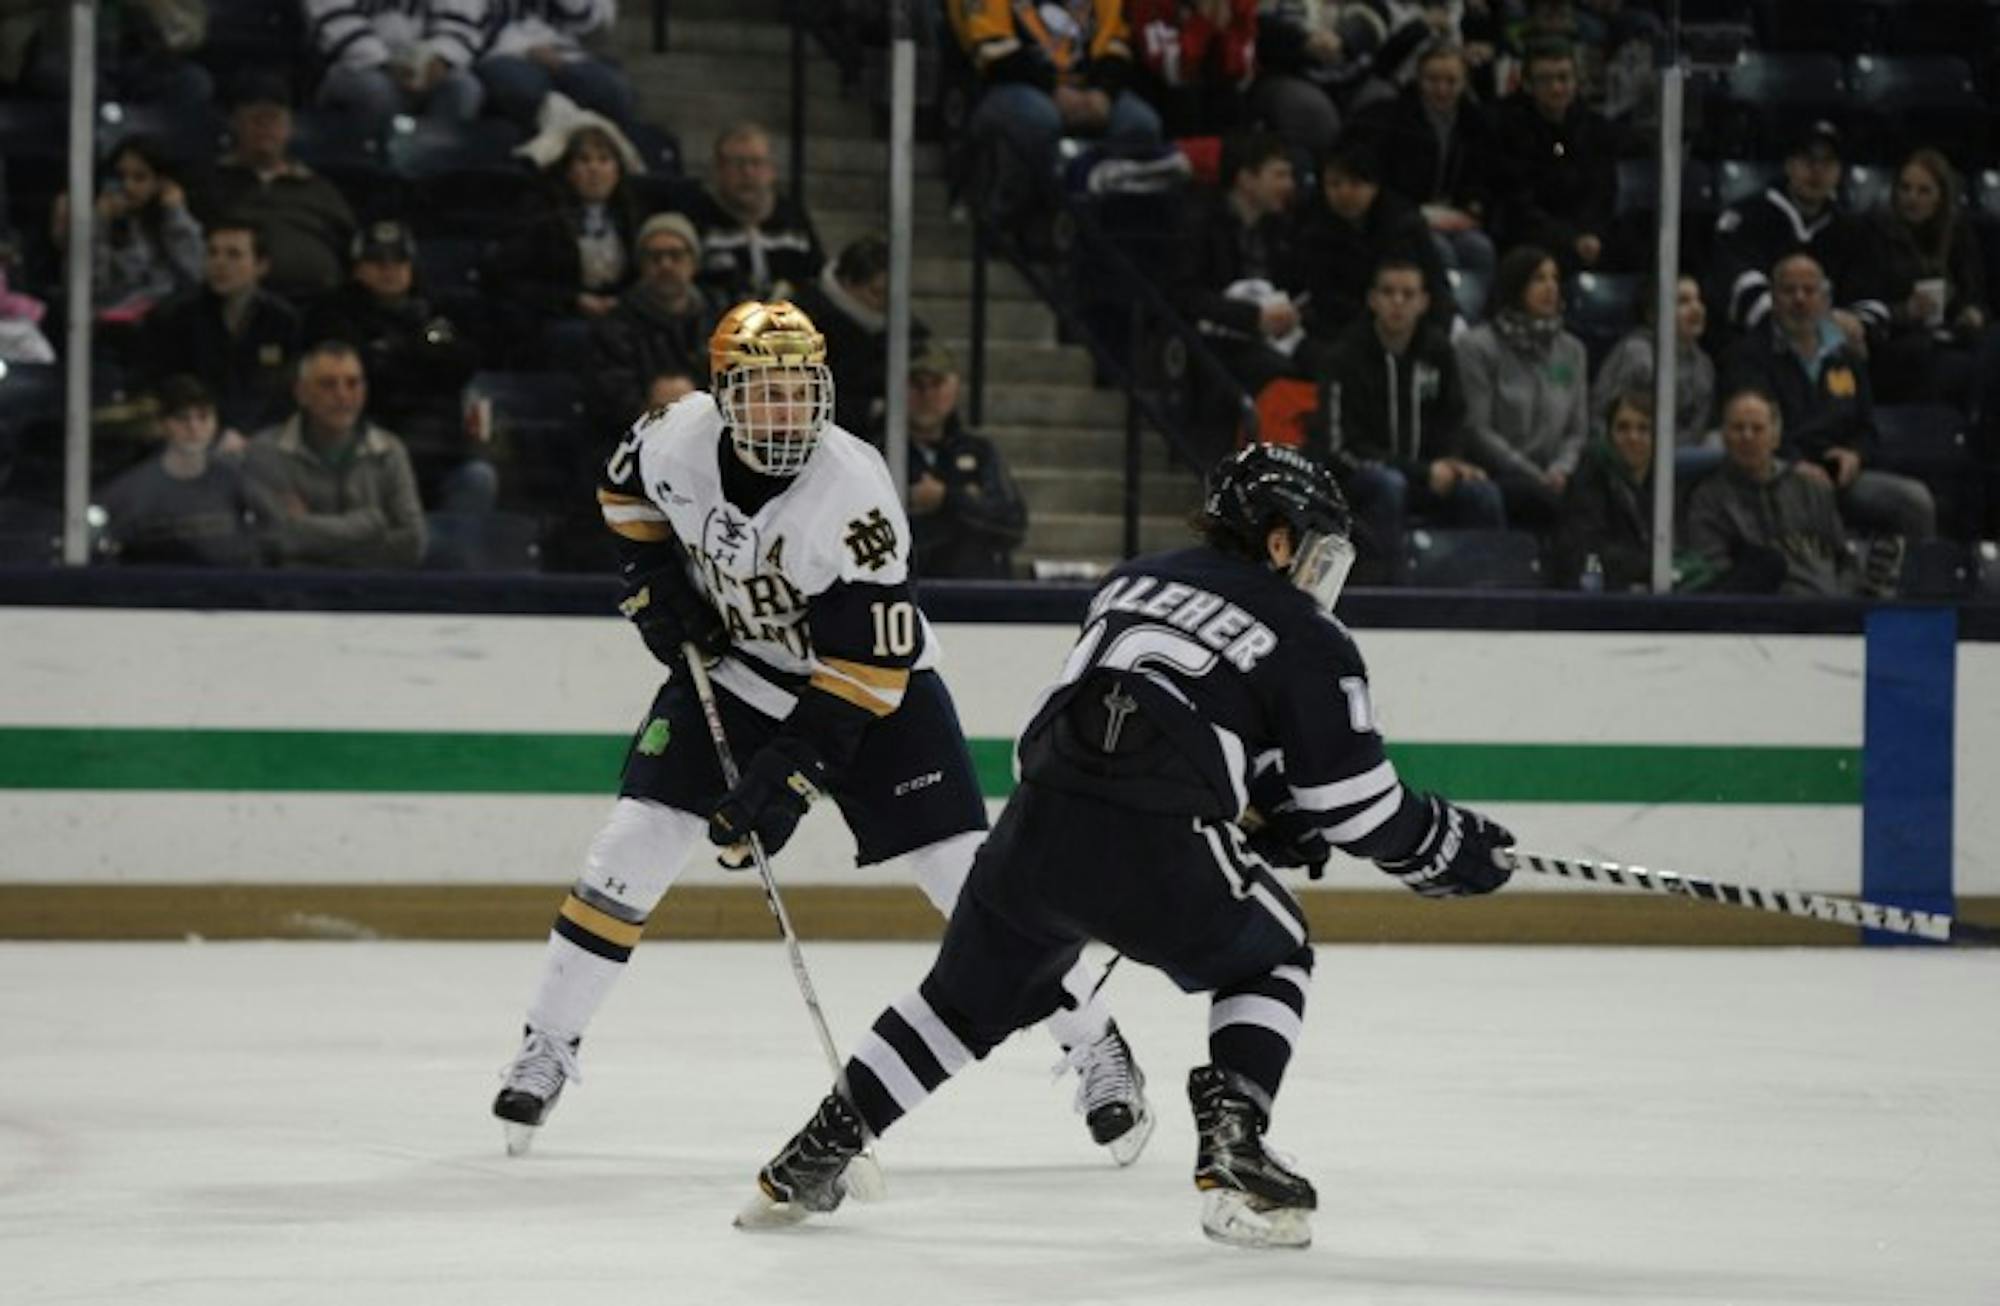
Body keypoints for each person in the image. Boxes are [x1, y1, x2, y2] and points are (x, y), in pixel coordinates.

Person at [738, 442, 1517, 1249]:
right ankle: (1233, 1143)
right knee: (1271, 955)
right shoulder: (1308, 634)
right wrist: (1450, 847)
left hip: (1035, 826)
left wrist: (1263, 808)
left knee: (957, 1005)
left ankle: (807, 1158)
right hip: (1159, 844)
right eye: (1315, 547)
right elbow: (1359, 810)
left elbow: (1131, 715)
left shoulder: (1134, 580)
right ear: (1280, 541)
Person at [491, 301, 1152, 1166]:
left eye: (801, 394)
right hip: (735, 669)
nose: (786, 414)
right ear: (723, 395)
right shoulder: (674, 437)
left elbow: (863, 675)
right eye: (764, 394)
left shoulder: (855, 495)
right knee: (633, 842)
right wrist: (655, 582)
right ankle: (548, 1042)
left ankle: (1096, 1045)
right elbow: (622, 493)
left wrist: (788, 779)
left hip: (877, 692)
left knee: (971, 886)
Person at [1720, 253, 1935, 544]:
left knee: (1914, 501)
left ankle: (1910, 585)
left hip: (1841, 477)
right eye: (1789, 290)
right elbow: (1749, 428)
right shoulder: (1749, 356)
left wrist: (1855, 455)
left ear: (1824, 299)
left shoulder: (1845, 356)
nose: (1799, 299)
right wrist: (1795, 464)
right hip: (1777, 475)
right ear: (1773, 297)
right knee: (1808, 504)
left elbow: (1867, 427)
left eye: (1809, 291)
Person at [1318, 257, 1499, 583]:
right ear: (1372, 299)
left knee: (1482, 494)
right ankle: (1395, 596)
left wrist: (1452, 462)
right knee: (1389, 486)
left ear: (1424, 302)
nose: (1398, 302)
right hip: (1359, 480)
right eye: (1389, 292)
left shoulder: (1438, 351)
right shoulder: (1344, 356)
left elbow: (1454, 418)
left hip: (1428, 475)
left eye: (1408, 293)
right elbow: (1337, 447)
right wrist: (1423, 471)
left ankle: (1487, 600)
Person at [304, 219, 491, 511]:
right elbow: (368, 375)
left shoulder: (438, 307)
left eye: (399, 260)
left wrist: (394, 354)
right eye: (377, 261)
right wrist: (424, 354)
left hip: (440, 453)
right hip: (366, 452)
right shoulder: (333, 313)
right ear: (356, 267)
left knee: (478, 478)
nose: (389, 270)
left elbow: (464, 363)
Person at [946, 0, 1164, 222]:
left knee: (1140, 124)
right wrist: (1054, 92)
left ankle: (1110, 232)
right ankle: (1017, 219)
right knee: (1039, 119)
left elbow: (1116, 44)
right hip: (1006, 87)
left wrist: (1103, 92)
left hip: (1089, 88)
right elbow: (991, 50)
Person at [242, 340, 427, 568]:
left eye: (352, 383)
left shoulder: (389, 450)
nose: (342, 394)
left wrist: (306, 528)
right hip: (295, 597)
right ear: (302, 393)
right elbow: (274, 541)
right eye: (328, 384)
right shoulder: (265, 451)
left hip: (375, 597)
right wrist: (371, 522)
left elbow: (412, 544)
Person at [1709, 120, 1886, 347]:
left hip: (1834, 353)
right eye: (1808, 159)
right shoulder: (1747, 218)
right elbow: (1736, 289)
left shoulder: (1854, 230)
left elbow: (1873, 301)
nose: (1817, 170)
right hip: (1757, 351)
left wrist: (1855, 325)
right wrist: (1815, 328)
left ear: (1840, 171)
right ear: (1789, 164)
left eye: (1828, 162)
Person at [1348, 43, 1502, 299]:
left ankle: (1467, 317)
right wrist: (1420, 215)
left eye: (1451, 81)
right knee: (1439, 252)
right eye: (1433, 80)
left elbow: (1485, 177)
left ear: (1464, 83)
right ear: (1418, 79)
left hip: (1456, 217)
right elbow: (1378, 180)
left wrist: (1474, 207)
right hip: (1404, 218)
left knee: (1480, 250)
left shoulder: (1476, 124)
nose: (1442, 89)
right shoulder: (1389, 118)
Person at [1454, 243, 1590, 528]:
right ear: (1515, 285)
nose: (1550, 287)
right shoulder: (1477, 346)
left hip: (1557, 475)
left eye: (1554, 278)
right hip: (1498, 473)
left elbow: (1577, 430)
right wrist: (1534, 475)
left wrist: (1560, 470)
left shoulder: (1572, 350)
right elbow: (1478, 430)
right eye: (1539, 279)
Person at [196, 71, 358, 302]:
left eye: (274, 120)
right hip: (228, 303)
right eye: (256, 120)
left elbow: (352, 247)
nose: (266, 129)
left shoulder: (319, 188)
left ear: (290, 127)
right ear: (235, 123)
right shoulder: (207, 182)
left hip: (318, 305)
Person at [143, 220, 303, 443]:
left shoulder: (282, 320)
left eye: (233, 255)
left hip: (264, 438)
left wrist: (251, 435)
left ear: (261, 265)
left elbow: (286, 391)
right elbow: (170, 386)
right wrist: (219, 434)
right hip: (195, 434)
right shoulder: (178, 316)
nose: (220, 263)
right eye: (213, 253)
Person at [1686, 386, 1855, 596]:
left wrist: (1842, 603)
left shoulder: (1812, 488)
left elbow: (1846, 561)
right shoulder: (1708, 499)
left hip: (1831, 614)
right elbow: (1715, 577)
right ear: (1724, 437)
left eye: (1757, 429)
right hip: (1760, 617)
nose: (1747, 436)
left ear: (1775, 438)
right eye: (1738, 428)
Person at [96, 374, 259, 567]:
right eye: (182, 418)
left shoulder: (237, 482)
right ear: (162, 424)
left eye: (203, 416)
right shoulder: (132, 491)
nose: (194, 427)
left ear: (215, 421)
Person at [1867, 147, 1988, 407]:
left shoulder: (1958, 234)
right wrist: (1905, 311)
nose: (1912, 198)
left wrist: (1973, 313)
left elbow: (1976, 295)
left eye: (1924, 191)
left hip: (1949, 337)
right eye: (1905, 188)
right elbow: (1861, 308)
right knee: (1949, 367)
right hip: (1895, 345)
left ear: (1941, 197)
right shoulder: (1875, 234)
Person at [1298, 142, 1455, 342]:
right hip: (1346, 334)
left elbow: (1436, 285)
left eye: (1355, 184)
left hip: (1412, 328)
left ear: (1374, 186)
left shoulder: (1404, 225)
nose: (1344, 194)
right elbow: (1324, 298)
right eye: (1334, 184)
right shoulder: (1314, 231)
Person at [790, 233, 932, 443]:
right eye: (877, 292)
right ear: (848, 283)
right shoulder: (804, 325)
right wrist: (873, 410)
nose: (886, 303)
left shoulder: (909, 329)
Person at [905, 340, 1028, 579]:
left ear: (953, 388)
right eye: (917, 385)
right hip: (913, 594)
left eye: (936, 384)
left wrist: (947, 499)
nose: (927, 395)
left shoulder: (980, 452)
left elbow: (1011, 524)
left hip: (978, 595)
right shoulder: (880, 454)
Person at [586, 211, 718, 429]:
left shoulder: (717, 319)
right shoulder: (615, 324)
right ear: (641, 266)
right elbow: (608, 393)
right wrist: (650, 408)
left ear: (693, 262)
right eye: (654, 257)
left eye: (675, 255)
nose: (665, 265)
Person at [1494, 39, 1616, 272]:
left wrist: (1591, 234)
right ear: (1528, 85)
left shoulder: (1595, 128)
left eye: (1563, 78)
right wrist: (1570, 239)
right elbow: (1518, 203)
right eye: (1545, 80)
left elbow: (1603, 191)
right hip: (1533, 235)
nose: (1556, 88)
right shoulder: (1510, 129)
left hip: (1588, 234)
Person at [50, 135, 204, 318]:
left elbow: (198, 273)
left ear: (160, 183)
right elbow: (89, 289)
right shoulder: (98, 220)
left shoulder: (169, 219)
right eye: (120, 176)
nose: (127, 186)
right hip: (111, 324)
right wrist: (98, 225)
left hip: (165, 321)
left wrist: (176, 215)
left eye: (139, 178)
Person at [1590, 274, 1719, 485]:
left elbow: (1697, 430)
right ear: (1654, 314)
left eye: (1698, 300)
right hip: (1628, 455)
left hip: (1674, 456)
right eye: (1683, 301)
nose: (1696, 309)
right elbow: (1604, 418)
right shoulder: (1638, 354)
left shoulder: (1704, 365)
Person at [684, 122, 824, 304]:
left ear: (771, 170)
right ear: (718, 170)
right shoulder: (696, 219)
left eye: (756, 163)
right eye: (737, 164)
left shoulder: (793, 219)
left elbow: (816, 278)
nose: (748, 172)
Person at [304, 0, 486, 135]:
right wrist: (385, 63)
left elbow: (460, 21)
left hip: (422, 64)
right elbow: (333, 19)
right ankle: (374, 174)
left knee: (463, 87)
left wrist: (440, 57)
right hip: (352, 65)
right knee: (378, 91)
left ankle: (437, 171)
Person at [1554, 388, 1656, 591]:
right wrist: (1653, 564)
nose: (1633, 437)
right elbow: (1589, 551)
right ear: (1609, 434)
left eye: (1644, 429)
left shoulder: (1667, 484)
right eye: (1623, 428)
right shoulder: (1589, 478)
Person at [474, 0, 634, 128]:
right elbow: (466, 25)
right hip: (500, 53)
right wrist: (525, 49)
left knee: (611, 91)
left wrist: (558, 61)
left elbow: (597, 26)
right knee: (525, 91)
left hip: (567, 54)